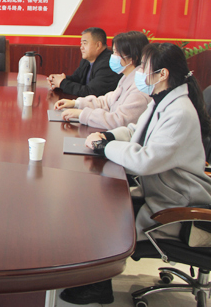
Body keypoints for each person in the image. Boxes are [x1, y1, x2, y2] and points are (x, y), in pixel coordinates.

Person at [60, 43, 211, 305]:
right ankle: (94, 279)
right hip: (161, 193)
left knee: (104, 216)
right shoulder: (163, 100)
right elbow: (134, 131)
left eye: (144, 67)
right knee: (100, 203)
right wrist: (108, 136)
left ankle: (98, 286)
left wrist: (106, 148)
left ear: (162, 74)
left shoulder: (180, 112)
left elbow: (145, 161)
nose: (139, 72)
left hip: (178, 209)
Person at [54, 31, 151, 129]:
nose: (113, 56)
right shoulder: (127, 77)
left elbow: (119, 121)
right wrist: (76, 103)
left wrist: (82, 114)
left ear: (133, 58)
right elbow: (107, 101)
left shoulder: (140, 87)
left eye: (116, 52)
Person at [47, 27, 120, 97]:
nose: (81, 47)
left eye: (85, 43)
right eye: (81, 44)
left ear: (98, 45)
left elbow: (90, 92)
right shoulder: (87, 60)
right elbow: (76, 79)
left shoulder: (108, 64)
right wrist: (57, 80)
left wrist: (62, 83)